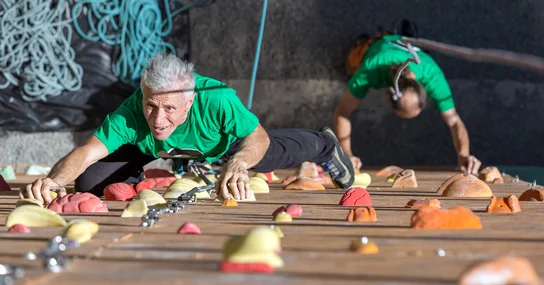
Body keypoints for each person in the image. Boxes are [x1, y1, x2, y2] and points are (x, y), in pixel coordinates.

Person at [21, 54, 355, 203]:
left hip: (221, 147)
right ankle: (139, 181)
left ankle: (324, 144)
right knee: (90, 181)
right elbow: (86, 151)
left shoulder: (217, 99)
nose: (158, 119)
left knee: (273, 153)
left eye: (169, 108)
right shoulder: (133, 112)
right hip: (152, 150)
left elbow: (258, 136)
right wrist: (54, 180)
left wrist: (238, 163)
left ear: (190, 101)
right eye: (151, 105)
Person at [334, 20, 481, 174]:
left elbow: (454, 121)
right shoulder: (371, 69)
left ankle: (399, 35)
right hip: (379, 48)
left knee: (354, 82)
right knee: (351, 66)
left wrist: (464, 154)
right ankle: (368, 42)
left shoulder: (433, 76)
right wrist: (346, 154)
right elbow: (342, 111)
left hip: (392, 52)